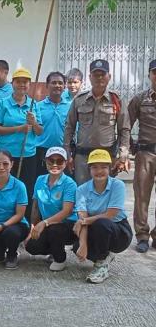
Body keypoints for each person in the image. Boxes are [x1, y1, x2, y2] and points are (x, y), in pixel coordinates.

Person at [63, 59, 130, 185]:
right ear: (89, 77)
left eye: (102, 74)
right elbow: (69, 127)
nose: (99, 78)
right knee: (82, 194)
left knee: (104, 195)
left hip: (107, 157)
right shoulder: (79, 100)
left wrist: (123, 156)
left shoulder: (116, 100)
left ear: (109, 77)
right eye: (95, 75)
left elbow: (124, 130)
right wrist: (67, 153)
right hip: (83, 158)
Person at [72, 149, 132, 284]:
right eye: (95, 167)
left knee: (102, 223)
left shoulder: (118, 185)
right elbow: (83, 217)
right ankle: (105, 257)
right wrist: (82, 244)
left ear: (110, 168)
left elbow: (111, 214)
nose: (99, 171)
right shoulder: (82, 189)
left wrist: (84, 221)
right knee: (77, 247)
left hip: (119, 231)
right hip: (97, 228)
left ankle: (101, 264)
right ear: (89, 169)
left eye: (104, 167)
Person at [0, 67, 43, 219]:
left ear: (29, 85)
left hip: (28, 155)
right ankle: (4, 222)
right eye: (19, 82)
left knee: (25, 191)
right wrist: (18, 128)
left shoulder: (34, 105)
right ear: (12, 83)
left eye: (25, 82)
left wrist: (33, 123)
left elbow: (40, 131)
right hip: (7, 157)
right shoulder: (3, 103)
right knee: (6, 189)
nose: (22, 85)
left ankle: (24, 225)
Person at [25, 147, 77, 271]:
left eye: (59, 161)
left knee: (55, 230)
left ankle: (60, 259)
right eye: (51, 161)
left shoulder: (70, 184)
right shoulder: (40, 180)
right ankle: (54, 249)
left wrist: (44, 223)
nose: (54, 164)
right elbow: (36, 206)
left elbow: (67, 211)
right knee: (31, 246)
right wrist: (32, 227)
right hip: (47, 225)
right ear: (45, 162)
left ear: (65, 163)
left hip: (67, 225)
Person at [128, 59, 156, 253]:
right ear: (149, 75)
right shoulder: (140, 99)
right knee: (142, 196)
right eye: (155, 72)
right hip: (145, 153)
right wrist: (130, 147)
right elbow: (125, 125)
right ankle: (142, 236)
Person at [35, 72, 71, 177]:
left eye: (60, 83)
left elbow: (75, 130)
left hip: (63, 151)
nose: (57, 86)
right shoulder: (38, 106)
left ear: (64, 86)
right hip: (42, 152)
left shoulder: (70, 107)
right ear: (47, 85)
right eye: (53, 83)